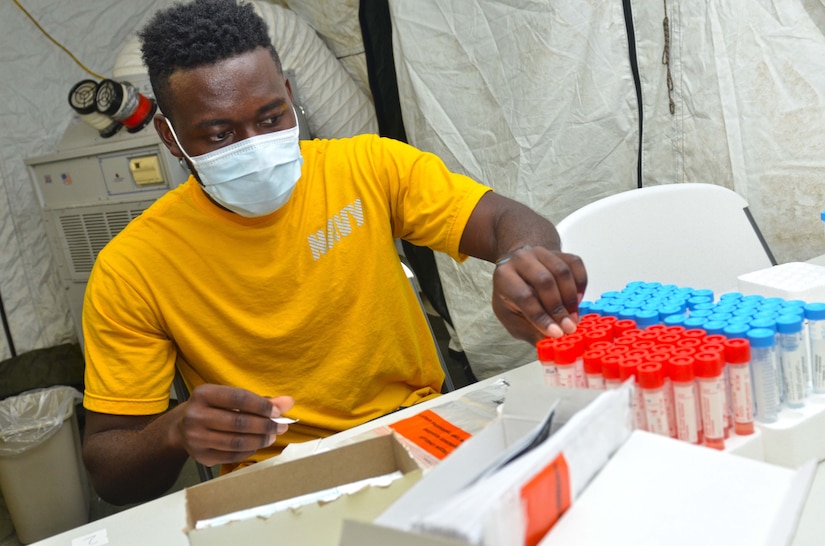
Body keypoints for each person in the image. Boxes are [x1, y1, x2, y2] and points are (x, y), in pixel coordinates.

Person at [81, 0, 587, 505]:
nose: (255, 146)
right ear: (170, 137)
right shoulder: (133, 268)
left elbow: (505, 221)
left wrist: (519, 257)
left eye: (271, 117)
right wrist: (173, 432)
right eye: (220, 134)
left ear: (289, 94)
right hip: (278, 481)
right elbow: (110, 470)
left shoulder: (366, 168)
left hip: (418, 432)